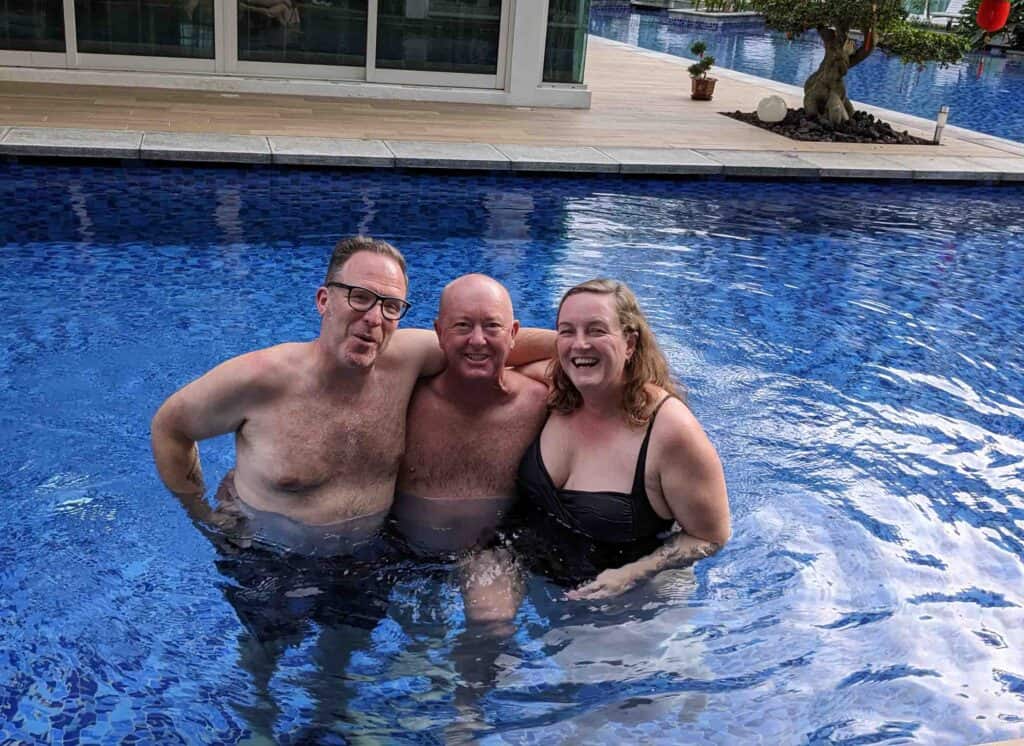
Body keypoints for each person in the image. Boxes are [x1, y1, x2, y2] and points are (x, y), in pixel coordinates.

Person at [150, 237, 550, 554]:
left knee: (344, 654)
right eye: (359, 297)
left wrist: (579, 345)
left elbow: (482, 344)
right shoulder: (260, 379)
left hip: (366, 562)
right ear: (324, 300)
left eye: (390, 306)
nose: (373, 318)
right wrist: (200, 515)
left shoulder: (406, 358)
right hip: (268, 560)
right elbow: (170, 427)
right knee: (261, 658)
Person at [516, 278, 731, 601]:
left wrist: (631, 575)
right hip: (548, 588)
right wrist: (573, 347)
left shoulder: (670, 429)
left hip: (634, 604)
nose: (580, 343)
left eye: (597, 330)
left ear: (630, 344)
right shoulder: (557, 390)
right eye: (567, 330)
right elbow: (491, 349)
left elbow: (711, 537)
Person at [394, 274, 548, 626]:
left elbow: (615, 388)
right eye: (462, 326)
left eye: (492, 326)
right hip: (402, 549)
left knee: (491, 624)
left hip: (491, 549)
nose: (477, 340)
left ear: (513, 333)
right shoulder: (404, 397)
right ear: (438, 332)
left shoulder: (541, 401)